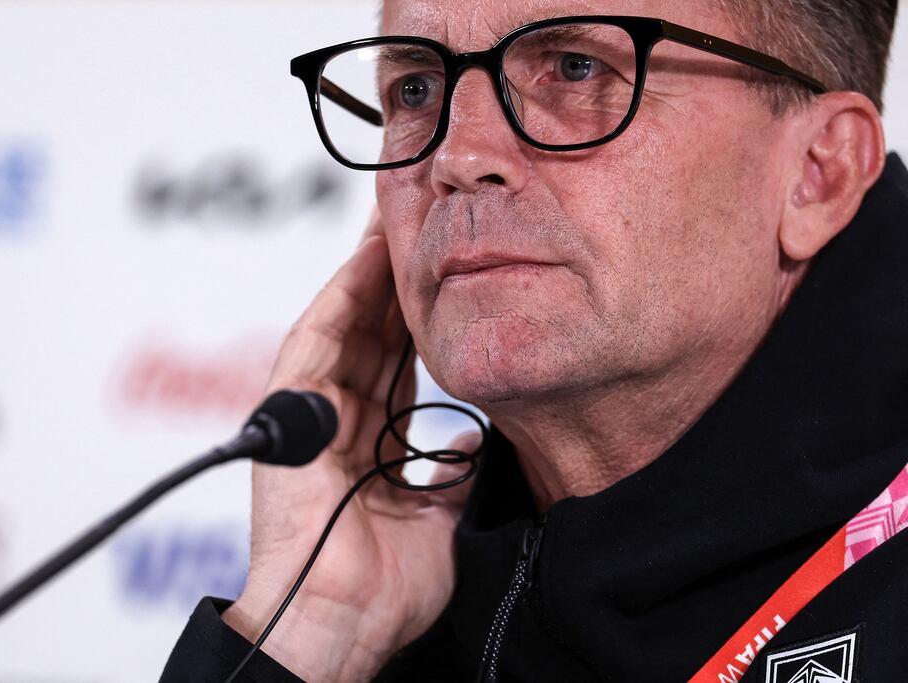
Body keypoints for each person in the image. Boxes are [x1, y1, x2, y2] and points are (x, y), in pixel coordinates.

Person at [161, 0, 907, 680]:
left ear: (820, 172)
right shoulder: (391, 596)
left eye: (575, 68)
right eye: (416, 89)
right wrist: (307, 632)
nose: (456, 157)